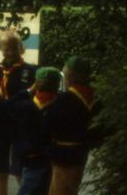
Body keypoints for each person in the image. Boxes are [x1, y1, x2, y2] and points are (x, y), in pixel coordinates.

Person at [0, 28, 37, 195]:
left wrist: (5, 105)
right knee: (1, 170)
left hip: (20, 126)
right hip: (0, 126)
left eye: (13, 48)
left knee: (19, 169)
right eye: (6, 48)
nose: (9, 52)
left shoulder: (29, 71)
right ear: (0, 48)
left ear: (20, 48)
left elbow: (26, 100)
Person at [44, 56, 101, 195]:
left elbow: (49, 124)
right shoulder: (95, 97)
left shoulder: (65, 99)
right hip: (80, 152)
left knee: (61, 190)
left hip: (63, 154)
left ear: (70, 74)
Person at [10, 66, 62, 195]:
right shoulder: (59, 105)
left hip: (25, 157)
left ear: (37, 83)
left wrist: (28, 90)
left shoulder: (25, 105)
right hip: (47, 158)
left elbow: (8, 106)